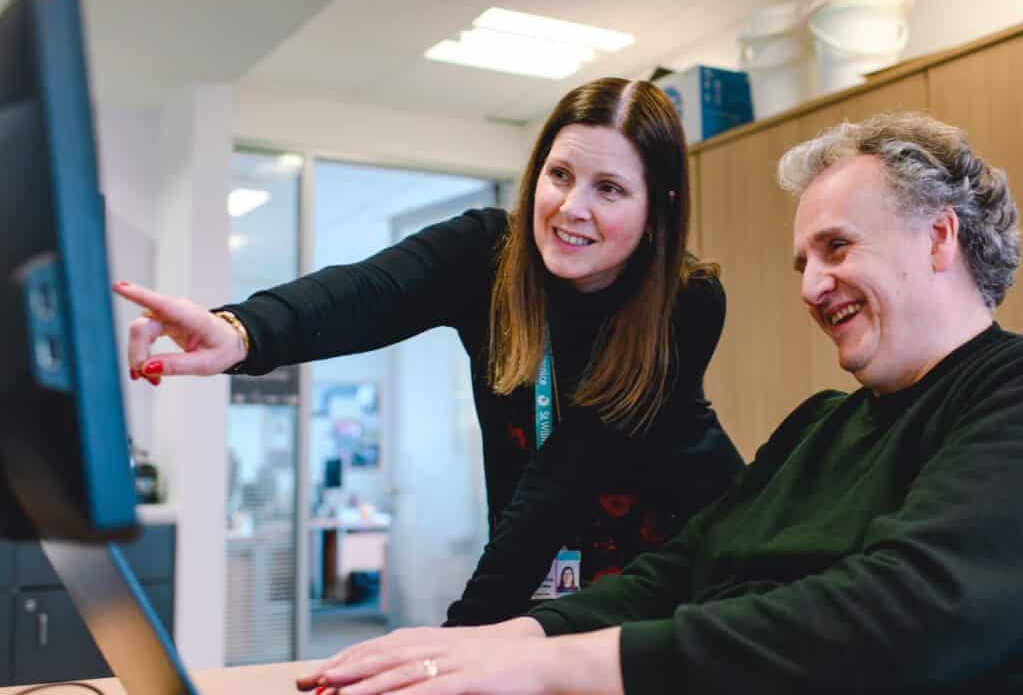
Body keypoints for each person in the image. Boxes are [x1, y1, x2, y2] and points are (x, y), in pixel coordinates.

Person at [297, 113, 1023, 695]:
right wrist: (503, 641)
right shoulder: (821, 427)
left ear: (939, 238)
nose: (811, 285)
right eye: (800, 260)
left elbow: (900, 621)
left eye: (836, 247)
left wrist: (551, 664)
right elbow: (677, 573)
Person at [115, 77, 744, 627]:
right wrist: (243, 331)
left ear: (657, 206)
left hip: (683, 584)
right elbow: (367, 291)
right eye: (560, 175)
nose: (571, 208)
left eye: (609, 188)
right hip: (541, 590)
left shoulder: (686, 302)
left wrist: (463, 639)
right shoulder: (488, 256)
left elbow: (567, 476)